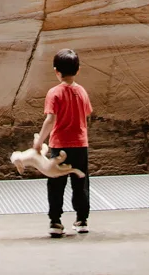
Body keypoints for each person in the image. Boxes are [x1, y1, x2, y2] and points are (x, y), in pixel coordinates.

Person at [33, 48, 93, 238]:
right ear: (79, 69)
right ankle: (82, 220)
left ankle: (55, 222)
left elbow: (50, 119)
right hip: (80, 145)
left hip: (60, 145)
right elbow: (87, 113)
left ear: (56, 71)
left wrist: (39, 142)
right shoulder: (82, 91)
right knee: (80, 182)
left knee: (56, 183)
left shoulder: (54, 93)